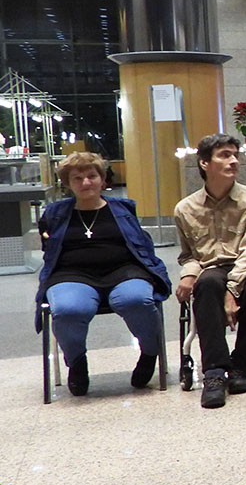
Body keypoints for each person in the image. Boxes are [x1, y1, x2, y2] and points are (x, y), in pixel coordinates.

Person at [37, 152, 171, 396]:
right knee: (68, 309)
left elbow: (141, 244)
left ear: (102, 179)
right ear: (68, 184)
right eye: (77, 178)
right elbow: (49, 251)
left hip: (124, 270)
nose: (86, 182)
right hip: (71, 273)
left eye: (92, 176)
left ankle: (150, 353)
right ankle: (77, 363)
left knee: (136, 300)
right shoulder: (54, 214)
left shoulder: (123, 209)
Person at [174, 133, 246, 409]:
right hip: (214, 265)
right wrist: (188, 273)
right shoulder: (185, 209)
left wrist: (232, 290)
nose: (234, 161)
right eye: (225, 155)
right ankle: (214, 372)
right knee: (207, 283)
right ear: (204, 163)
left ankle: (241, 364)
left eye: (236, 155)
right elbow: (189, 254)